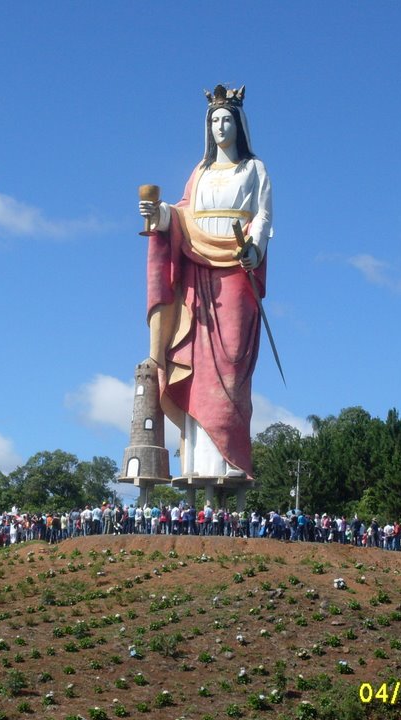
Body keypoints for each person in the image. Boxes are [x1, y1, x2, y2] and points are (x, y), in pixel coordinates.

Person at [139, 84, 272, 481]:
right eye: (213, 120)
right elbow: (181, 215)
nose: (219, 126)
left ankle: (230, 462)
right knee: (196, 365)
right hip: (198, 271)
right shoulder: (199, 172)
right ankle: (198, 465)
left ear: (240, 125)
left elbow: (263, 216)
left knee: (231, 364)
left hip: (235, 271)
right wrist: (158, 213)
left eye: (226, 119)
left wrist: (254, 248)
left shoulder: (254, 169)